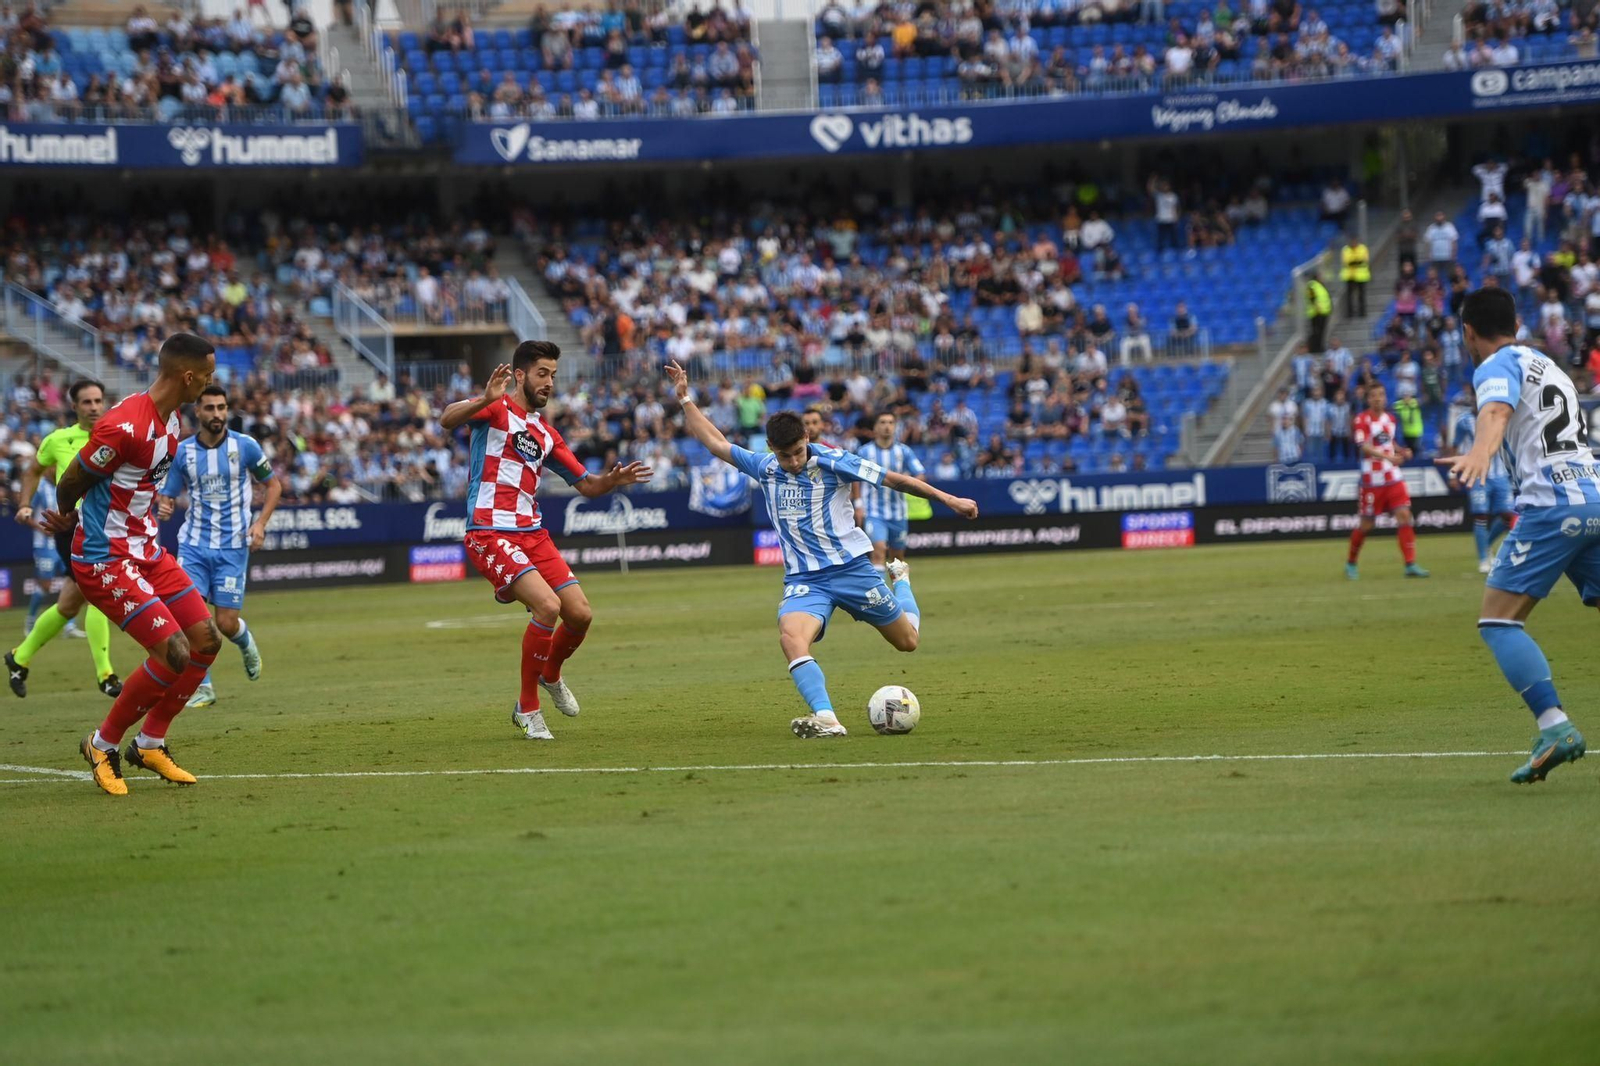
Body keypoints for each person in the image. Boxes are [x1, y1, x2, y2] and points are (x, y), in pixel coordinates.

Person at [664, 359, 978, 739]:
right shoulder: (764, 467)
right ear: (771, 450)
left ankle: (902, 580)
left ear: (807, 441)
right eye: (785, 455)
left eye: (798, 451)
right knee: (790, 636)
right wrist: (685, 400)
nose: (793, 462)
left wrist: (950, 499)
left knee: (907, 641)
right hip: (805, 580)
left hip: (851, 571)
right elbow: (716, 442)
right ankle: (827, 718)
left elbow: (897, 480)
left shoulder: (835, 462)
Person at [437, 342, 652, 741]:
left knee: (581, 614)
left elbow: (586, 485)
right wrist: (484, 398)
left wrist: (612, 481)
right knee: (547, 605)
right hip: (489, 530)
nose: (549, 382)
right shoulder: (494, 408)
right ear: (520, 375)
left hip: (532, 532)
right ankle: (528, 708)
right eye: (542, 373)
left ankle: (551, 674)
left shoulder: (545, 433)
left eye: (553, 374)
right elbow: (448, 418)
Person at [42, 335, 223, 795]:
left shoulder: (171, 423)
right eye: (207, 375)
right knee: (173, 651)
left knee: (205, 640)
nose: (209, 383)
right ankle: (101, 744)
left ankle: (149, 743)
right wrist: (66, 513)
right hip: (105, 557)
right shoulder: (124, 424)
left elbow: (135, 485)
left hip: (146, 550)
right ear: (187, 376)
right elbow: (73, 479)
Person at [1437, 287, 1593, 783]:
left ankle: (1555, 726)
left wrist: (1482, 450)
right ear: (1518, 324)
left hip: (1551, 508)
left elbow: (1497, 412)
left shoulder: (1495, 365)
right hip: (1594, 496)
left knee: (1498, 621)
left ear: (1467, 332)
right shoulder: (1550, 367)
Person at [155, 385, 282, 708]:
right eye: (209, 408)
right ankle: (204, 686)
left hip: (233, 546)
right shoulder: (183, 452)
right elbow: (168, 493)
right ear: (197, 412)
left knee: (224, 624)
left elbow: (273, 485)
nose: (216, 414)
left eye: (221, 408)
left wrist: (260, 524)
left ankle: (245, 641)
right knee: (189, 620)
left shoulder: (246, 447)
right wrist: (166, 506)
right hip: (194, 544)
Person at [8, 379, 122, 699]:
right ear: (74, 407)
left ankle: (19, 658)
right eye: (86, 402)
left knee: (69, 605)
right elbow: (33, 470)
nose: (94, 407)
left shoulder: (115, 437)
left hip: (105, 526)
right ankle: (106, 674)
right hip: (70, 528)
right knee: (99, 591)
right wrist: (25, 504)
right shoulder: (58, 439)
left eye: (98, 400)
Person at [1345, 382, 1429, 580]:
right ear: (1368, 399)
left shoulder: (1390, 418)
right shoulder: (1361, 419)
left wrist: (1400, 451)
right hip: (1372, 481)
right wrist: (1388, 457)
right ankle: (1351, 562)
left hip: (1393, 477)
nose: (1378, 398)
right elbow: (1363, 446)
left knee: (1404, 515)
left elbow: (1388, 441)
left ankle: (1410, 564)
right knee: (1366, 525)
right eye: (1374, 395)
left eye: (1381, 395)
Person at [1448, 396, 1516, 574]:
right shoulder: (1464, 421)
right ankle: (1484, 560)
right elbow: (1454, 446)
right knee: (1481, 516)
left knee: (1508, 515)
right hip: (1477, 475)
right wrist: (1452, 473)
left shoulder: (1499, 416)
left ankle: (1486, 546)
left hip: (1500, 474)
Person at [857, 411, 926, 572]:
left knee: (897, 559)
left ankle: (900, 595)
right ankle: (881, 597)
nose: (886, 426)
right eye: (882, 422)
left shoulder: (904, 451)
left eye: (890, 422)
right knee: (878, 550)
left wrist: (908, 482)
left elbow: (920, 474)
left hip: (898, 513)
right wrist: (858, 503)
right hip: (874, 512)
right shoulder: (864, 452)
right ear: (875, 427)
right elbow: (855, 479)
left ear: (895, 427)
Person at [1340, 233, 1370, 318]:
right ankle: (1350, 314)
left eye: (1354, 241)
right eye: (1352, 241)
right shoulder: (1345, 250)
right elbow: (1346, 262)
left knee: (1361, 295)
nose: (1353, 243)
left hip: (1361, 276)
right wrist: (1356, 261)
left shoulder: (1363, 248)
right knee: (1350, 296)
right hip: (1349, 276)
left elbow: (1364, 260)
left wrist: (1354, 262)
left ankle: (1362, 313)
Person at [1305, 270, 1332, 354]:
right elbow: (1312, 298)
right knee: (1316, 332)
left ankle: (1320, 347)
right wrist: (1317, 309)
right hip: (1316, 313)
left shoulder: (1320, 285)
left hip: (1323, 312)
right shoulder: (1312, 285)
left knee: (1321, 332)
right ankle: (1314, 348)